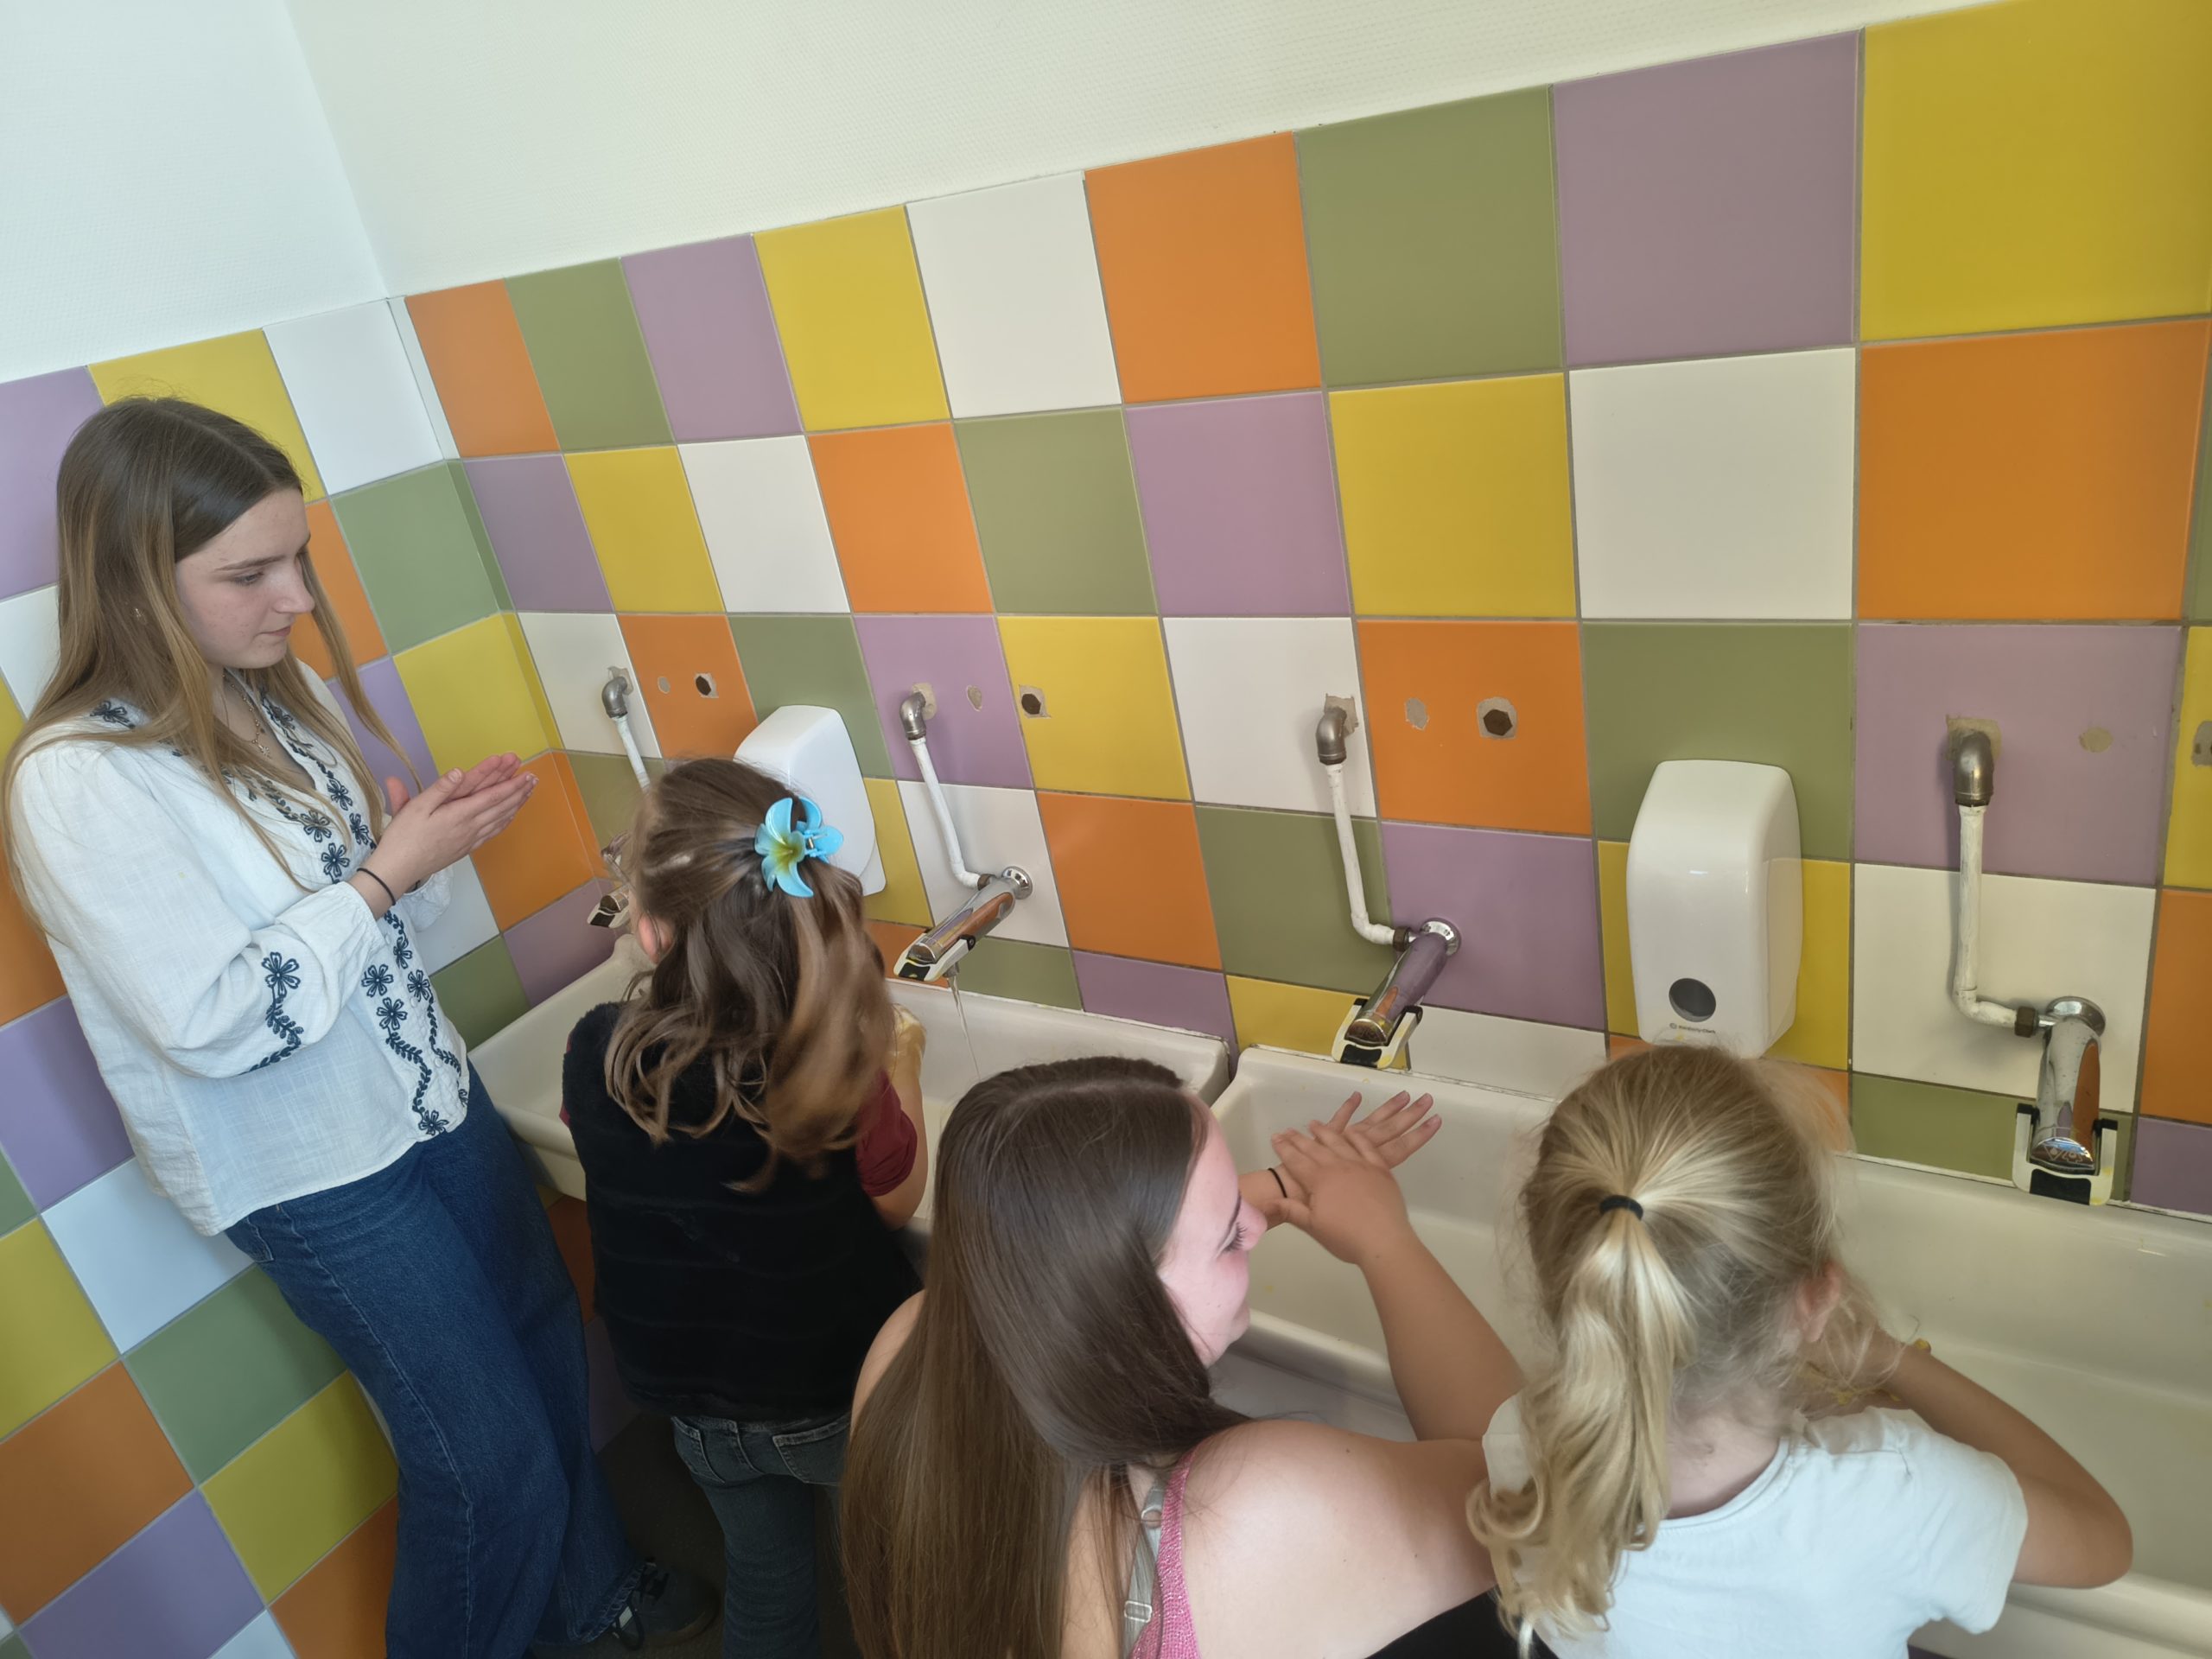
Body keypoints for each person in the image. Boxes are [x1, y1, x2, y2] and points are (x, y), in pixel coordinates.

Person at [3, 397, 709, 1658]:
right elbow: (213, 1020)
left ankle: (594, 1595)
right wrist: (384, 874)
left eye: (299, 559)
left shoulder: (282, 697)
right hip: (312, 1169)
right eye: (250, 574)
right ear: (137, 582)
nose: (296, 600)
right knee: (482, 1462)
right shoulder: (78, 780)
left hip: (426, 1095)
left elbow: (364, 930)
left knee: (547, 1336)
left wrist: (422, 851)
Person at [841, 1055, 1520, 1659]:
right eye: (1229, 1236)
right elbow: (1523, 1485)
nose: (1254, 1226)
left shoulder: (908, 1346)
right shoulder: (1253, 1515)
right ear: (1122, 1299)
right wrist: (1385, 1240)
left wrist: (1280, 1186)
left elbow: (1051, 1246)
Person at [1468, 1043, 2133, 1657]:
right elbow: (2104, 1539)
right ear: (1816, 1301)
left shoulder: (1523, 1451)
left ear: (1568, 1290)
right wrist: (1896, 1361)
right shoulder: (1894, 1489)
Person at [562, 757, 931, 1659]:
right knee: (891, 1567)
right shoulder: (826, 1066)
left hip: (693, 1399)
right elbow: (896, 1201)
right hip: (832, 1391)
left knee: (766, 1577)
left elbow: (629, 1154)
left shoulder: (599, 1051)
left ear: (652, 933)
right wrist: (903, 1067)